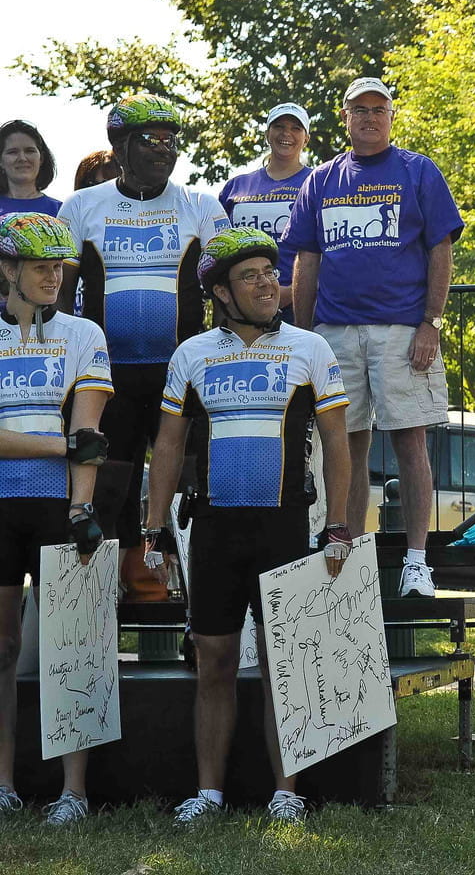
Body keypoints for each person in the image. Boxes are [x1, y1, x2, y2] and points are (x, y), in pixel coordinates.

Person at [144, 228, 350, 827]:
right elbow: (168, 444)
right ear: (221, 293)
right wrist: (154, 528)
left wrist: (337, 525)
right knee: (214, 662)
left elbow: (338, 445)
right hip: (213, 529)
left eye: (270, 272)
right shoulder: (192, 354)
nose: (268, 284)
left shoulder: (310, 348)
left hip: (285, 525)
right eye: (251, 276)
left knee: (281, 659)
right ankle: (208, 793)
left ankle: (287, 792)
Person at [282, 78, 462, 597]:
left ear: (391, 117)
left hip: (402, 331)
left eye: (378, 109)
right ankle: (349, 556)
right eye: (359, 110)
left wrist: (431, 321)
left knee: (410, 441)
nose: (368, 118)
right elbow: (306, 260)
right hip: (335, 332)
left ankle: (416, 563)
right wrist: (307, 336)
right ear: (344, 118)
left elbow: (440, 248)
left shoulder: (418, 170)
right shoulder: (320, 179)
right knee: (345, 445)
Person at [55, 94, 229, 599]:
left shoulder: (202, 206)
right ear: (120, 147)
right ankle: (107, 596)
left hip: (182, 372)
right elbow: (63, 300)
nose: (164, 150)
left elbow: (226, 289)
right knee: (111, 486)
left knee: (191, 482)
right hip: (108, 376)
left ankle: (200, 597)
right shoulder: (81, 207)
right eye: (150, 141)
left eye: (172, 142)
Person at [0, 213, 112, 825]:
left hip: (59, 506)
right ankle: (3, 781)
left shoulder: (84, 333)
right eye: (40, 266)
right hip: (1, 504)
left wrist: (81, 506)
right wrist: (54, 447)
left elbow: (88, 433)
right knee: (3, 645)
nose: (54, 276)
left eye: (59, 267)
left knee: (71, 646)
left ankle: (74, 791)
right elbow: (66, 442)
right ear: (7, 269)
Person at [218, 103, 313, 318]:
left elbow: (326, 252)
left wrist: (289, 293)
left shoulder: (318, 182)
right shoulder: (236, 187)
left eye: (296, 128)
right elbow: (221, 253)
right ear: (267, 134)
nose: (286, 133)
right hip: (242, 311)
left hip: (298, 311)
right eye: (279, 126)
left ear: (306, 138)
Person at [0, 120, 62, 217]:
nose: (22, 158)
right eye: (13, 152)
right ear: (1, 161)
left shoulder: (60, 211)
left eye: (29, 151)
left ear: (41, 158)